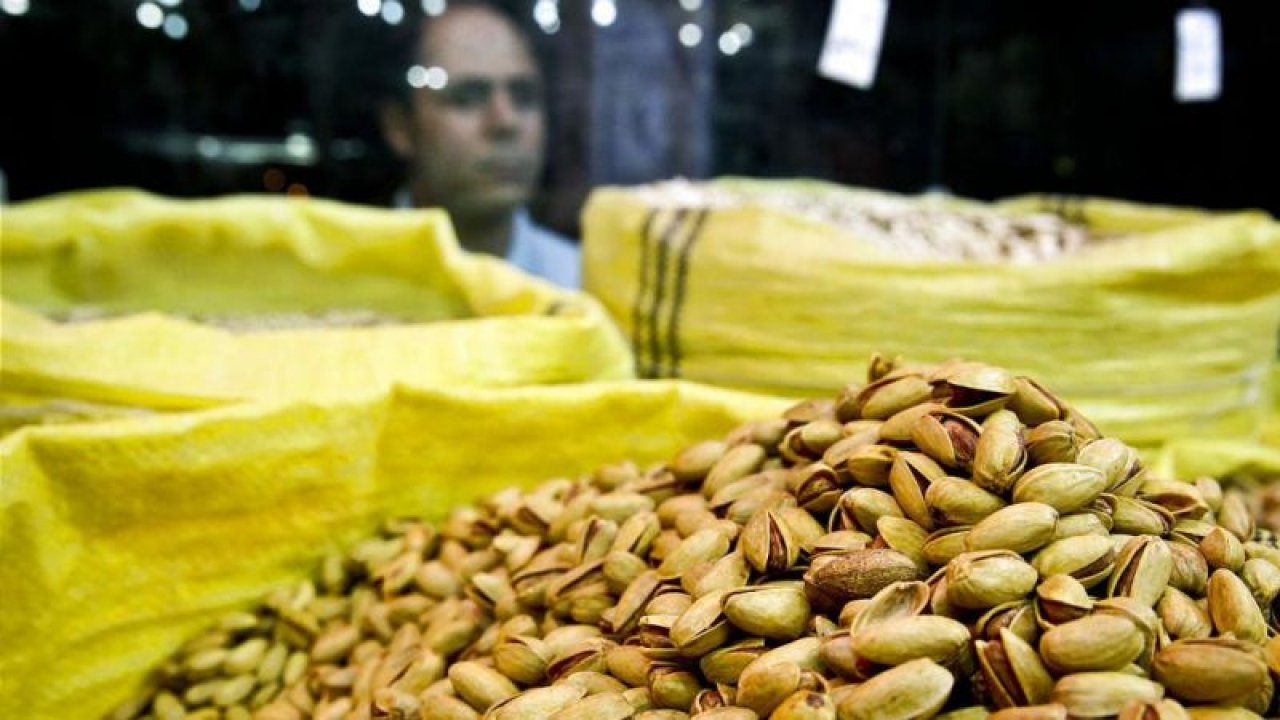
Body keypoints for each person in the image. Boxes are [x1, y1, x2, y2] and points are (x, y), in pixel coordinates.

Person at [378, 1, 580, 288]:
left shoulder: (584, 288)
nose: (506, 122)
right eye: (466, 98)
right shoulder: (342, 287)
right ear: (400, 127)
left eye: (524, 97)